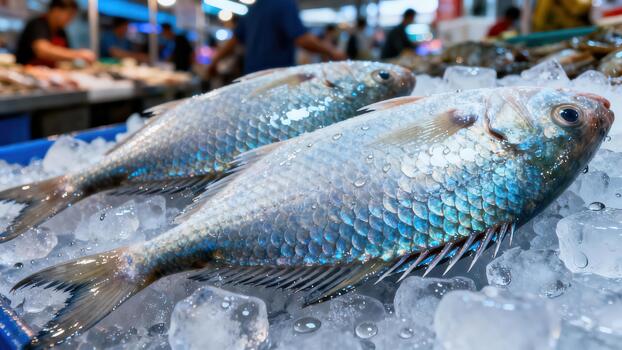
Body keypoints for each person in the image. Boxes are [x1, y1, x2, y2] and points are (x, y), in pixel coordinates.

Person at [207, 0, 345, 76]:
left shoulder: (253, 9)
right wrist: (333, 51)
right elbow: (302, 39)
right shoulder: (284, 3)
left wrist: (214, 62)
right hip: (277, 79)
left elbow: (233, 42)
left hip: (251, 78)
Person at [15, 0, 95, 66]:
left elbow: (65, 52)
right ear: (56, 10)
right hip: (27, 71)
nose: (70, 20)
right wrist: (78, 54)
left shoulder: (61, 31)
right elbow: (42, 50)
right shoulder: (38, 24)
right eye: (69, 15)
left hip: (48, 73)